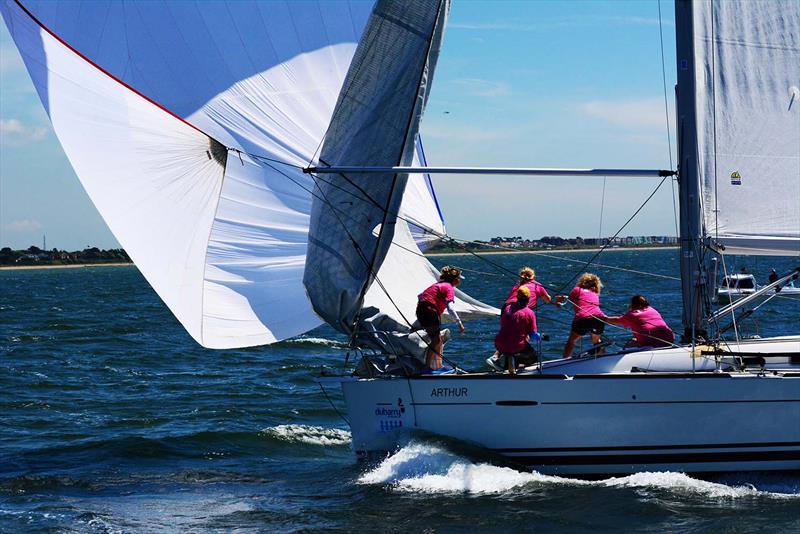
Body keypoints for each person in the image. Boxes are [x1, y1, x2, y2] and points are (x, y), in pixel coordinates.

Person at [416, 266, 465, 373]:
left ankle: (438, 366)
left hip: (421, 310)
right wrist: (459, 323)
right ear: (455, 280)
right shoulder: (448, 287)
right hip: (430, 311)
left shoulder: (436, 285)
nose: (460, 281)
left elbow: (420, 296)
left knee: (437, 339)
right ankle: (427, 368)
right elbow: (450, 308)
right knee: (436, 340)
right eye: (459, 279)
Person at [490, 286, 539, 374]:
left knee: (510, 351)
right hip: (516, 346)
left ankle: (509, 367)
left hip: (499, 344)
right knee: (533, 357)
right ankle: (515, 364)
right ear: (529, 298)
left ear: (517, 297)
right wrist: (541, 336)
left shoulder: (507, 308)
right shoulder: (529, 313)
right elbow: (533, 335)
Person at [558, 273, 606, 358]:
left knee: (571, 341)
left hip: (583, 319)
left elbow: (568, 300)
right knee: (596, 340)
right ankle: (603, 357)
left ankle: (565, 359)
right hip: (599, 319)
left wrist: (559, 302)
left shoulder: (577, 289)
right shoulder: (595, 293)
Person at [606, 295, 675, 348]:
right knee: (635, 340)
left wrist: (603, 318)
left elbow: (617, 320)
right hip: (669, 339)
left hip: (650, 342)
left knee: (628, 346)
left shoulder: (632, 314)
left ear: (633, 305)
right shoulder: (653, 310)